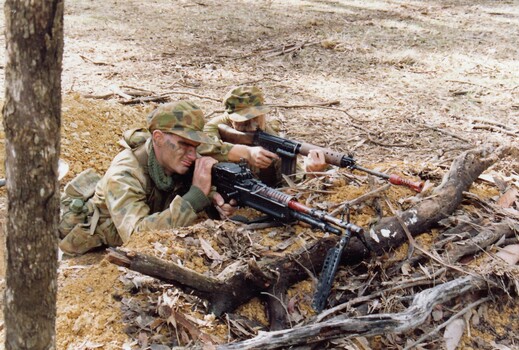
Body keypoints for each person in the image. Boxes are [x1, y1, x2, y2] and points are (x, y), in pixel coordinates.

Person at [59, 101, 236, 256]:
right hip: (100, 238)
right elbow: (137, 236)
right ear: (158, 137)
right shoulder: (124, 173)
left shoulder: (172, 157)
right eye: (184, 144)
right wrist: (194, 199)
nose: (192, 154)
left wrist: (213, 199)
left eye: (196, 146)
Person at [198, 86, 327, 186]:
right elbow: (203, 147)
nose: (253, 124)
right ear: (230, 117)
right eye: (244, 119)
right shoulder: (215, 126)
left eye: (256, 117)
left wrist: (311, 175)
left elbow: (290, 178)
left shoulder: (267, 132)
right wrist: (246, 153)